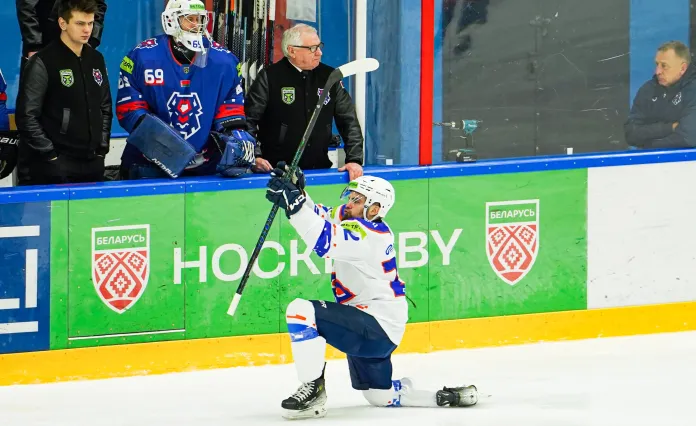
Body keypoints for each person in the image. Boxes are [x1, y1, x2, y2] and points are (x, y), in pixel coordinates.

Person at [265, 163, 479, 420]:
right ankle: (447, 396)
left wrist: (294, 206)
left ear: (374, 208)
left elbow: (323, 240)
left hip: (374, 327)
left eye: (358, 200)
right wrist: (299, 193)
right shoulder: (356, 218)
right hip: (377, 327)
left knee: (300, 311)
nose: (350, 203)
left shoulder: (369, 236)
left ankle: (313, 389)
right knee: (379, 396)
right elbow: (321, 216)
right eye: (351, 197)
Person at [116, 0, 256, 179]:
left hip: (205, 165)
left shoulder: (225, 62)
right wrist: (167, 148)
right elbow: (128, 109)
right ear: (171, 20)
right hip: (148, 165)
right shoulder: (141, 57)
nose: (196, 25)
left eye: (200, 19)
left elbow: (230, 109)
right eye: (190, 19)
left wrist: (235, 136)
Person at [245, 24, 364, 181]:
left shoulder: (330, 77)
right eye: (313, 48)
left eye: (319, 46)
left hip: (319, 170)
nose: (319, 53)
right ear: (292, 50)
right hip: (276, 174)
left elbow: (349, 121)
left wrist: (354, 160)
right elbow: (248, 121)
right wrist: (254, 156)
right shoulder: (269, 77)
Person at [15, 0, 112, 185]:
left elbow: (105, 107)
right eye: (80, 24)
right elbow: (27, 117)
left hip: (93, 164)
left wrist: (102, 149)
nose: (87, 30)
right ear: (63, 23)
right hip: (55, 165)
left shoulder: (96, 59)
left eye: (90, 23)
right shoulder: (42, 62)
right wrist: (50, 156)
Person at [624, 40, 696, 149]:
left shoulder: (693, 90)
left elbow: (689, 138)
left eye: (664, 66)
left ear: (682, 68)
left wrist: (648, 145)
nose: (657, 71)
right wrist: (670, 128)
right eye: (657, 64)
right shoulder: (647, 90)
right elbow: (631, 134)